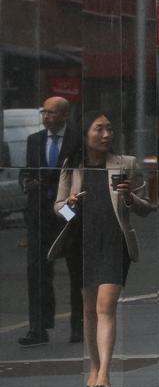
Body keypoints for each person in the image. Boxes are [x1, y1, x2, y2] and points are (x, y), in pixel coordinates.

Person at [49, 112, 154, 387]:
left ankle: (105, 373)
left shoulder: (126, 164)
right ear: (85, 134)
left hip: (114, 242)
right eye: (99, 129)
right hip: (81, 243)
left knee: (106, 306)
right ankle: (94, 367)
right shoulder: (72, 166)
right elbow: (59, 210)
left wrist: (131, 198)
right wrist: (70, 204)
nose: (106, 134)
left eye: (109, 128)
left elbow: (147, 207)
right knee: (88, 309)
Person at [18, 96, 83, 346]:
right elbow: (27, 171)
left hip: (67, 212)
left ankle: (78, 327)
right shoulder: (34, 141)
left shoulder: (77, 140)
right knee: (37, 272)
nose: (46, 117)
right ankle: (38, 328)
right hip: (40, 215)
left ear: (65, 115)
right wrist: (27, 183)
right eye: (44, 112)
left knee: (76, 269)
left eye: (52, 113)